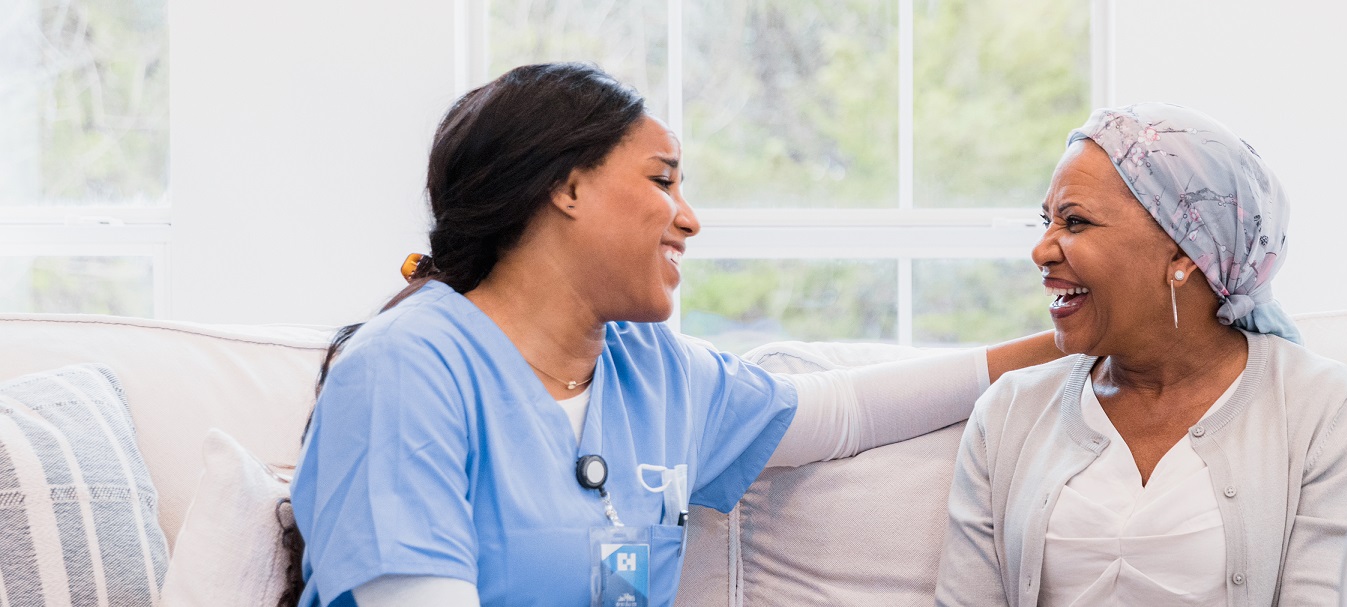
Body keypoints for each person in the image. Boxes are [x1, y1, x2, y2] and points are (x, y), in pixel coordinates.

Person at [288, 63, 1063, 607]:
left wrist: (1071, 342)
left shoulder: (645, 370)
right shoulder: (404, 373)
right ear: (566, 186)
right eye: (663, 179)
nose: (689, 217)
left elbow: (841, 412)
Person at [935, 103, 1347, 607]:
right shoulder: (1009, 410)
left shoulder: (1320, 407)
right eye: (1046, 221)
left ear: (1183, 252)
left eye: (1075, 222)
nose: (1041, 251)